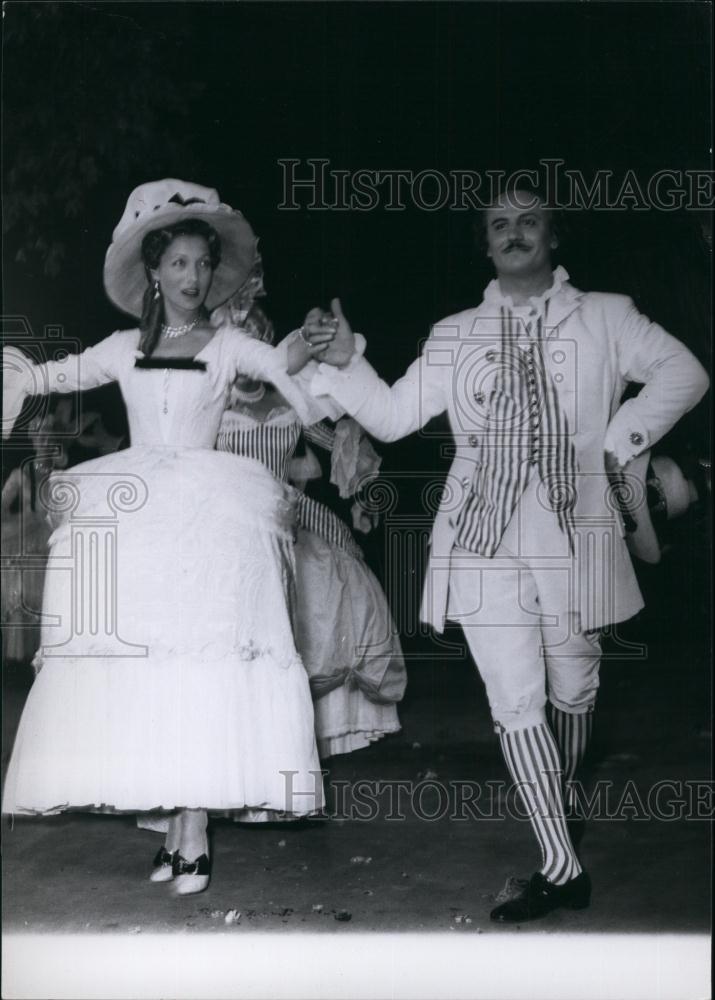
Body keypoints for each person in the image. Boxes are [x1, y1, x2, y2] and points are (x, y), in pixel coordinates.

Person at [298, 185, 709, 921]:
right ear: (484, 246)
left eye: (528, 221)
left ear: (553, 237)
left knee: (574, 689)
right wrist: (341, 362)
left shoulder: (607, 316)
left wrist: (620, 441)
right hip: (480, 541)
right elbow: (390, 417)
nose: (513, 233)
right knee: (513, 698)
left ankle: (559, 799)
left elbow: (685, 373)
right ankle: (559, 865)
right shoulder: (454, 333)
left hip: (576, 535)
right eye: (498, 225)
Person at [1, 179, 344, 896]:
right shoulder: (124, 346)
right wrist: (18, 376)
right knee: (153, 666)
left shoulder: (227, 346)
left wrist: (306, 344)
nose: (191, 278)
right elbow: (56, 372)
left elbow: (278, 364)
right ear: (154, 272)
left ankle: (195, 826)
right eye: (177, 264)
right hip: (140, 522)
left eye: (200, 265)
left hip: (211, 520)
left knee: (205, 663)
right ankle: (174, 817)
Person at [212, 292, 406, 758]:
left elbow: (335, 436)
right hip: (232, 515)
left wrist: (361, 485)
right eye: (239, 341)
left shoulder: (288, 398)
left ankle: (317, 726)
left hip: (289, 510)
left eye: (258, 339)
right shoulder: (212, 404)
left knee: (336, 574)